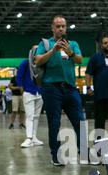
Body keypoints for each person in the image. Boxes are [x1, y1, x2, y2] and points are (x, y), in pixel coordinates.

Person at [35, 15, 91, 166]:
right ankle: (56, 155)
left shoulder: (73, 44)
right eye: (58, 26)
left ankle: (85, 153)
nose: (61, 28)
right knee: (54, 123)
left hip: (71, 88)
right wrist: (54, 50)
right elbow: (38, 60)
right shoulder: (45, 43)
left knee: (80, 121)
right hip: (51, 88)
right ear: (52, 28)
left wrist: (70, 52)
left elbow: (80, 60)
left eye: (63, 26)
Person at [16, 45, 44, 148]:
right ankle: (29, 138)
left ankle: (34, 137)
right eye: (35, 50)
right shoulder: (25, 62)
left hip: (39, 93)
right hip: (28, 92)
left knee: (36, 117)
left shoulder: (42, 63)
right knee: (29, 116)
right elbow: (19, 77)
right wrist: (23, 89)